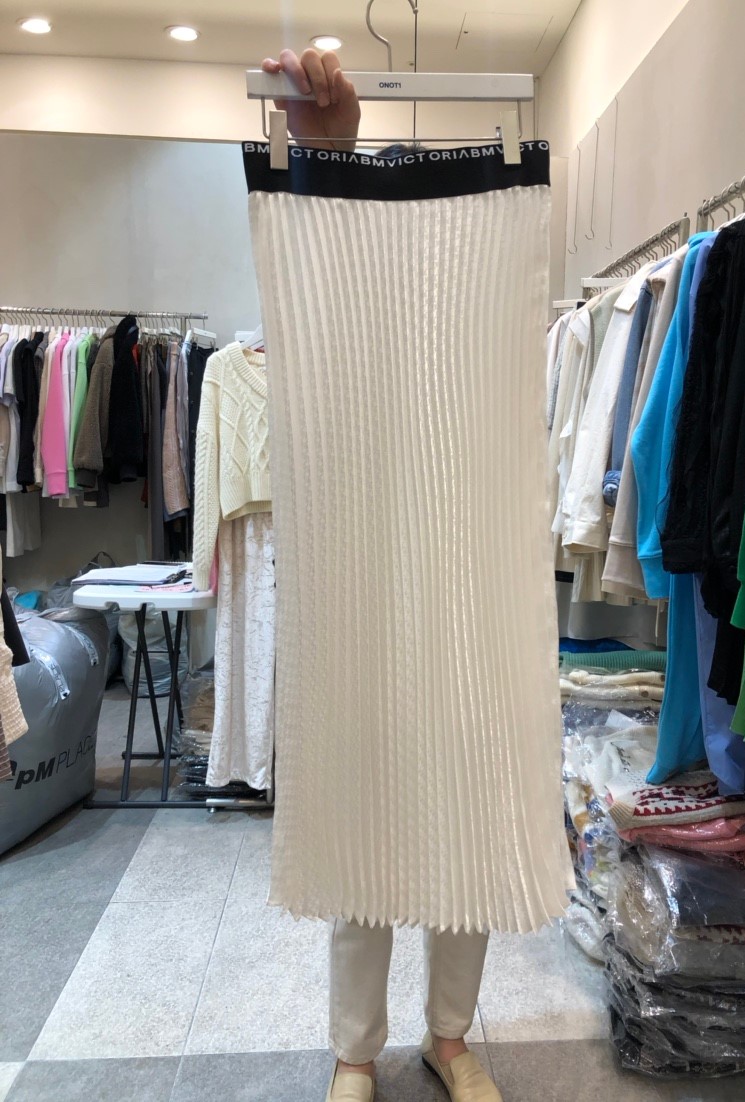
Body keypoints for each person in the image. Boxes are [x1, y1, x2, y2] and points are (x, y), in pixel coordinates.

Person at [259, 47, 559, 1102]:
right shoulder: (345, 334)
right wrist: (325, 154)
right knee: (362, 803)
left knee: (467, 808)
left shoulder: (481, 317)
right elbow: (324, 269)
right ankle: (354, 1047)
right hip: (367, 579)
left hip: (465, 581)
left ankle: (449, 1033)